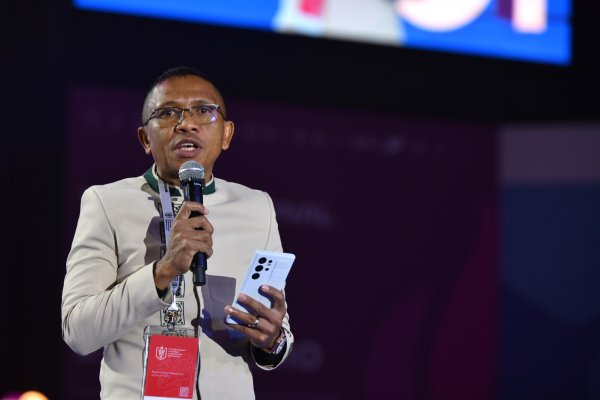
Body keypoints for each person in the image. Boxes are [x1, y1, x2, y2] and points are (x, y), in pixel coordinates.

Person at [61, 66, 294, 400]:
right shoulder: (107, 203)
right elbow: (78, 332)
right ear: (145, 138)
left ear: (227, 134)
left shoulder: (257, 207)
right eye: (168, 113)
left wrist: (273, 340)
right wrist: (163, 270)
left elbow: (276, 333)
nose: (187, 124)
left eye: (203, 110)